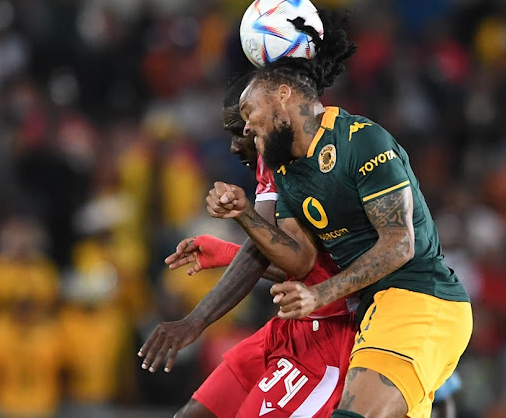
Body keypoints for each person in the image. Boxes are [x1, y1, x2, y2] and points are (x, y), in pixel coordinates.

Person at [205, 13, 472, 418]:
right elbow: (297, 258)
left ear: (281, 95)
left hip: (420, 299)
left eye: (249, 113)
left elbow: (400, 244)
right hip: (374, 313)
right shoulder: (289, 173)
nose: (246, 128)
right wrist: (244, 214)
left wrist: (319, 295)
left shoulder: (361, 140)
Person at [138, 73, 358, 418]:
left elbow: (301, 262)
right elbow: (286, 255)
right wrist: (227, 251)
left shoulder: (305, 162)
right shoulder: (269, 162)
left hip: (327, 337)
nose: (234, 143)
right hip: (286, 329)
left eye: (238, 128)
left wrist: (194, 321)